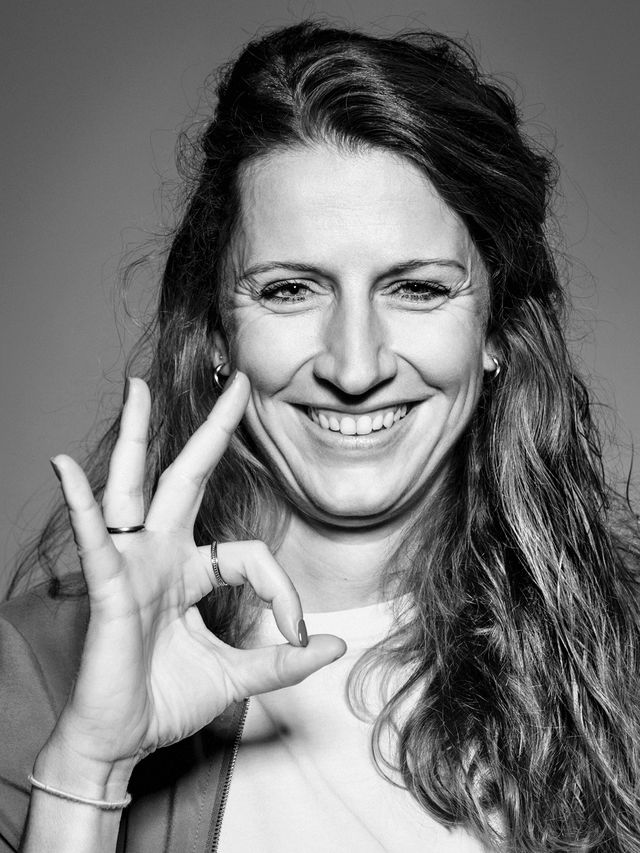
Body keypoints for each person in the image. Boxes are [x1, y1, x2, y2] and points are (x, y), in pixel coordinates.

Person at [1, 20, 639, 853]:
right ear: (218, 332)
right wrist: (89, 769)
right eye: (291, 289)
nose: (354, 365)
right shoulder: (35, 675)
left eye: (417, 288)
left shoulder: (621, 664)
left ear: (495, 329)